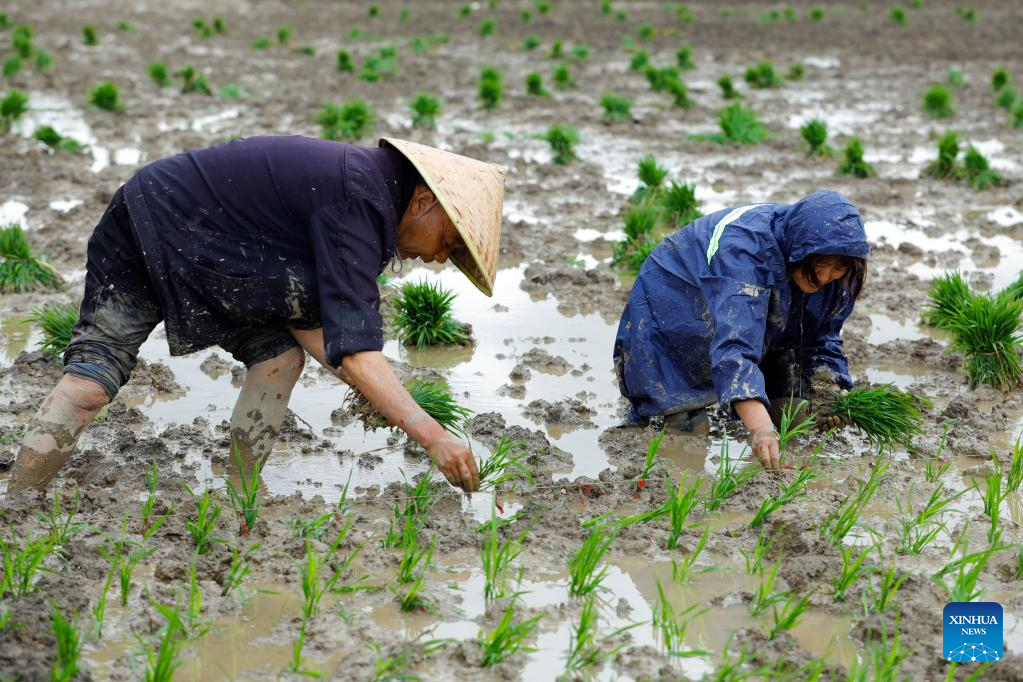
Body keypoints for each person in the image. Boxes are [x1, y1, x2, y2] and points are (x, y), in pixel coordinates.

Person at [8, 135, 507, 494]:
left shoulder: (370, 203)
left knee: (280, 360)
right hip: (152, 221)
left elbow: (318, 328)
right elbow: (354, 352)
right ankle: (18, 507)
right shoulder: (362, 203)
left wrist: (373, 385)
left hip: (225, 257)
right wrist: (434, 436)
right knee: (92, 381)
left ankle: (241, 493)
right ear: (425, 199)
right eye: (450, 241)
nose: (441, 257)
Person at [613, 189, 869, 471]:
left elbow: (821, 337)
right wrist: (759, 428)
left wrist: (830, 389)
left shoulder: (835, 277)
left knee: (801, 404)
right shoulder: (746, 253)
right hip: (677, 296)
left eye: (837, 269)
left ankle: (767, 410)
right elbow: (735, 343)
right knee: (682, 427)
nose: (823, 277)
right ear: (799, 250)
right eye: (818, 265)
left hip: (754, 296)